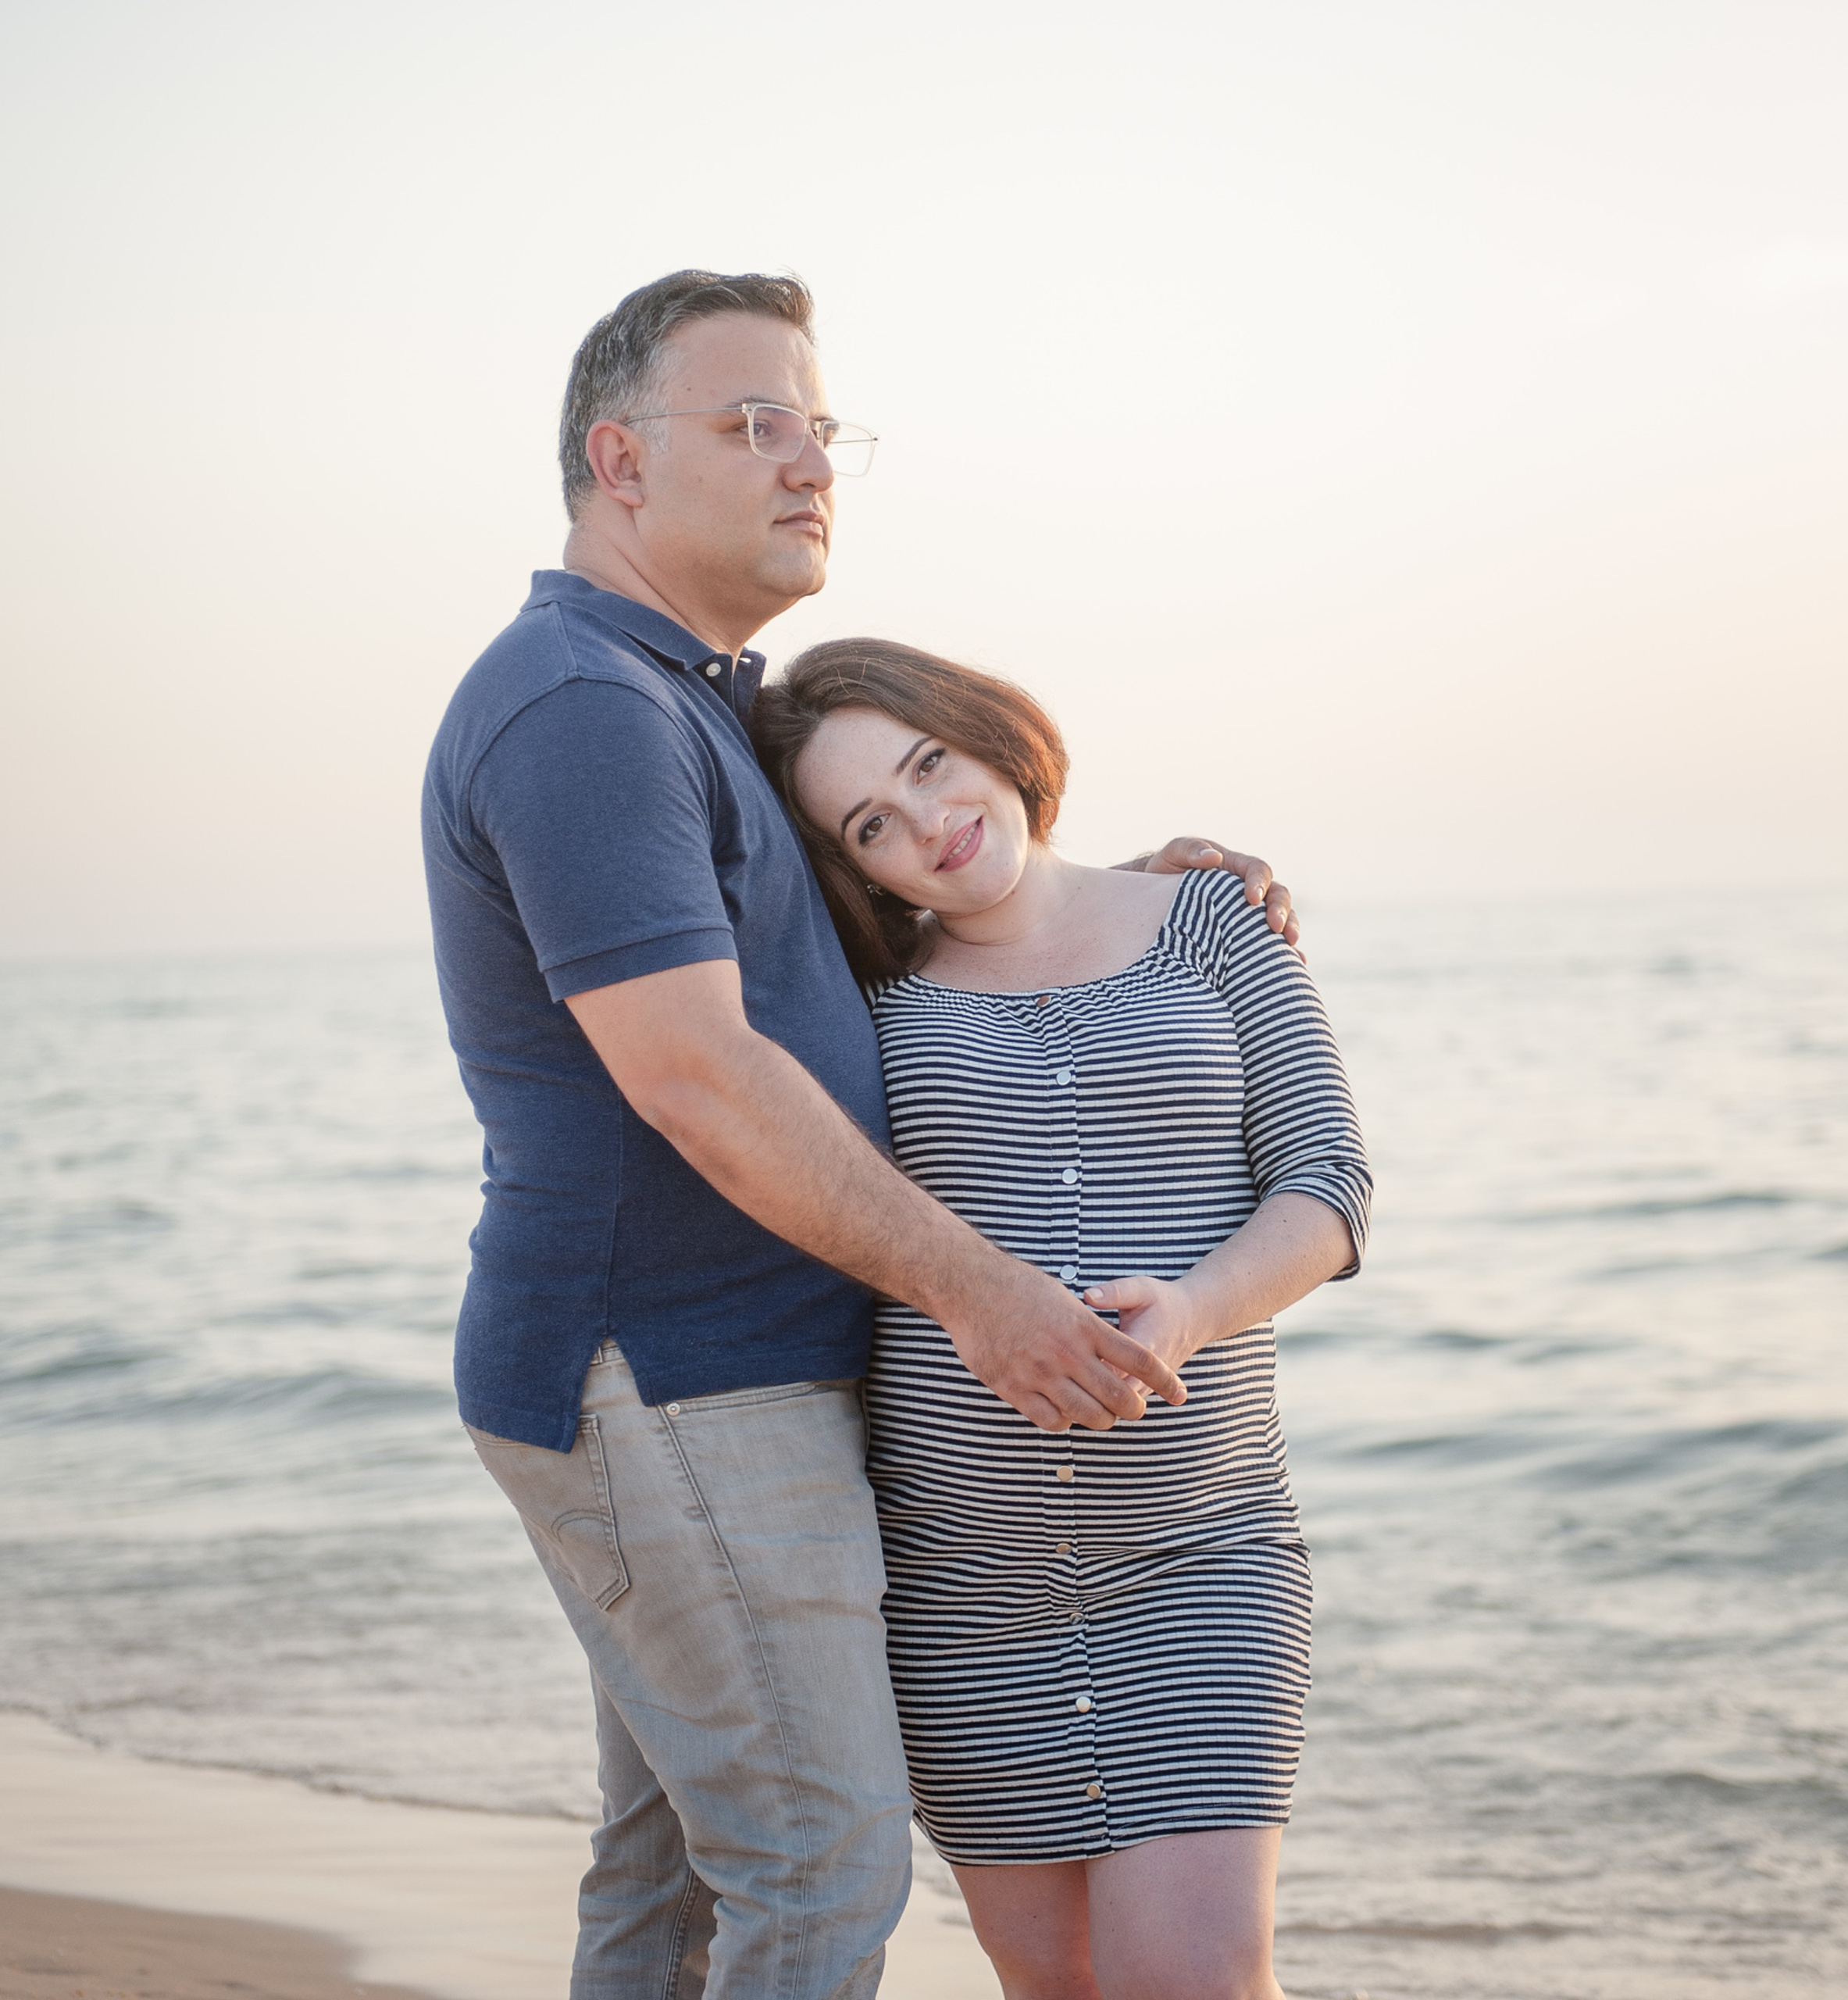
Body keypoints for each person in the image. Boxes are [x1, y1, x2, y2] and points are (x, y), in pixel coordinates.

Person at [420, 268, 1300, 2000]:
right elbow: (694, 1070)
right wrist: (980, 1291)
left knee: (670, 1871)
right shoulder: (584, 705)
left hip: (710, 1379)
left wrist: (1132, 893)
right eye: (754, 424)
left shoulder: (694, 703)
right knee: (819, 1871)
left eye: (820, 428)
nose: (806, 461)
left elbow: (898, 910)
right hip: (675, 1378)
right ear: (619, 459)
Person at [751, 640, 1372, 2000]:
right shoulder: (862, 1000)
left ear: (984, 733)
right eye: (873, 825)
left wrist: (1197, 1310)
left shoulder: (1212, 920)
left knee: (1198, 1983)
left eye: (930, 766)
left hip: (1202, 1560)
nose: (930, 823)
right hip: (958, 1592)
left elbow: (1330, 1186)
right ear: (853, 866)